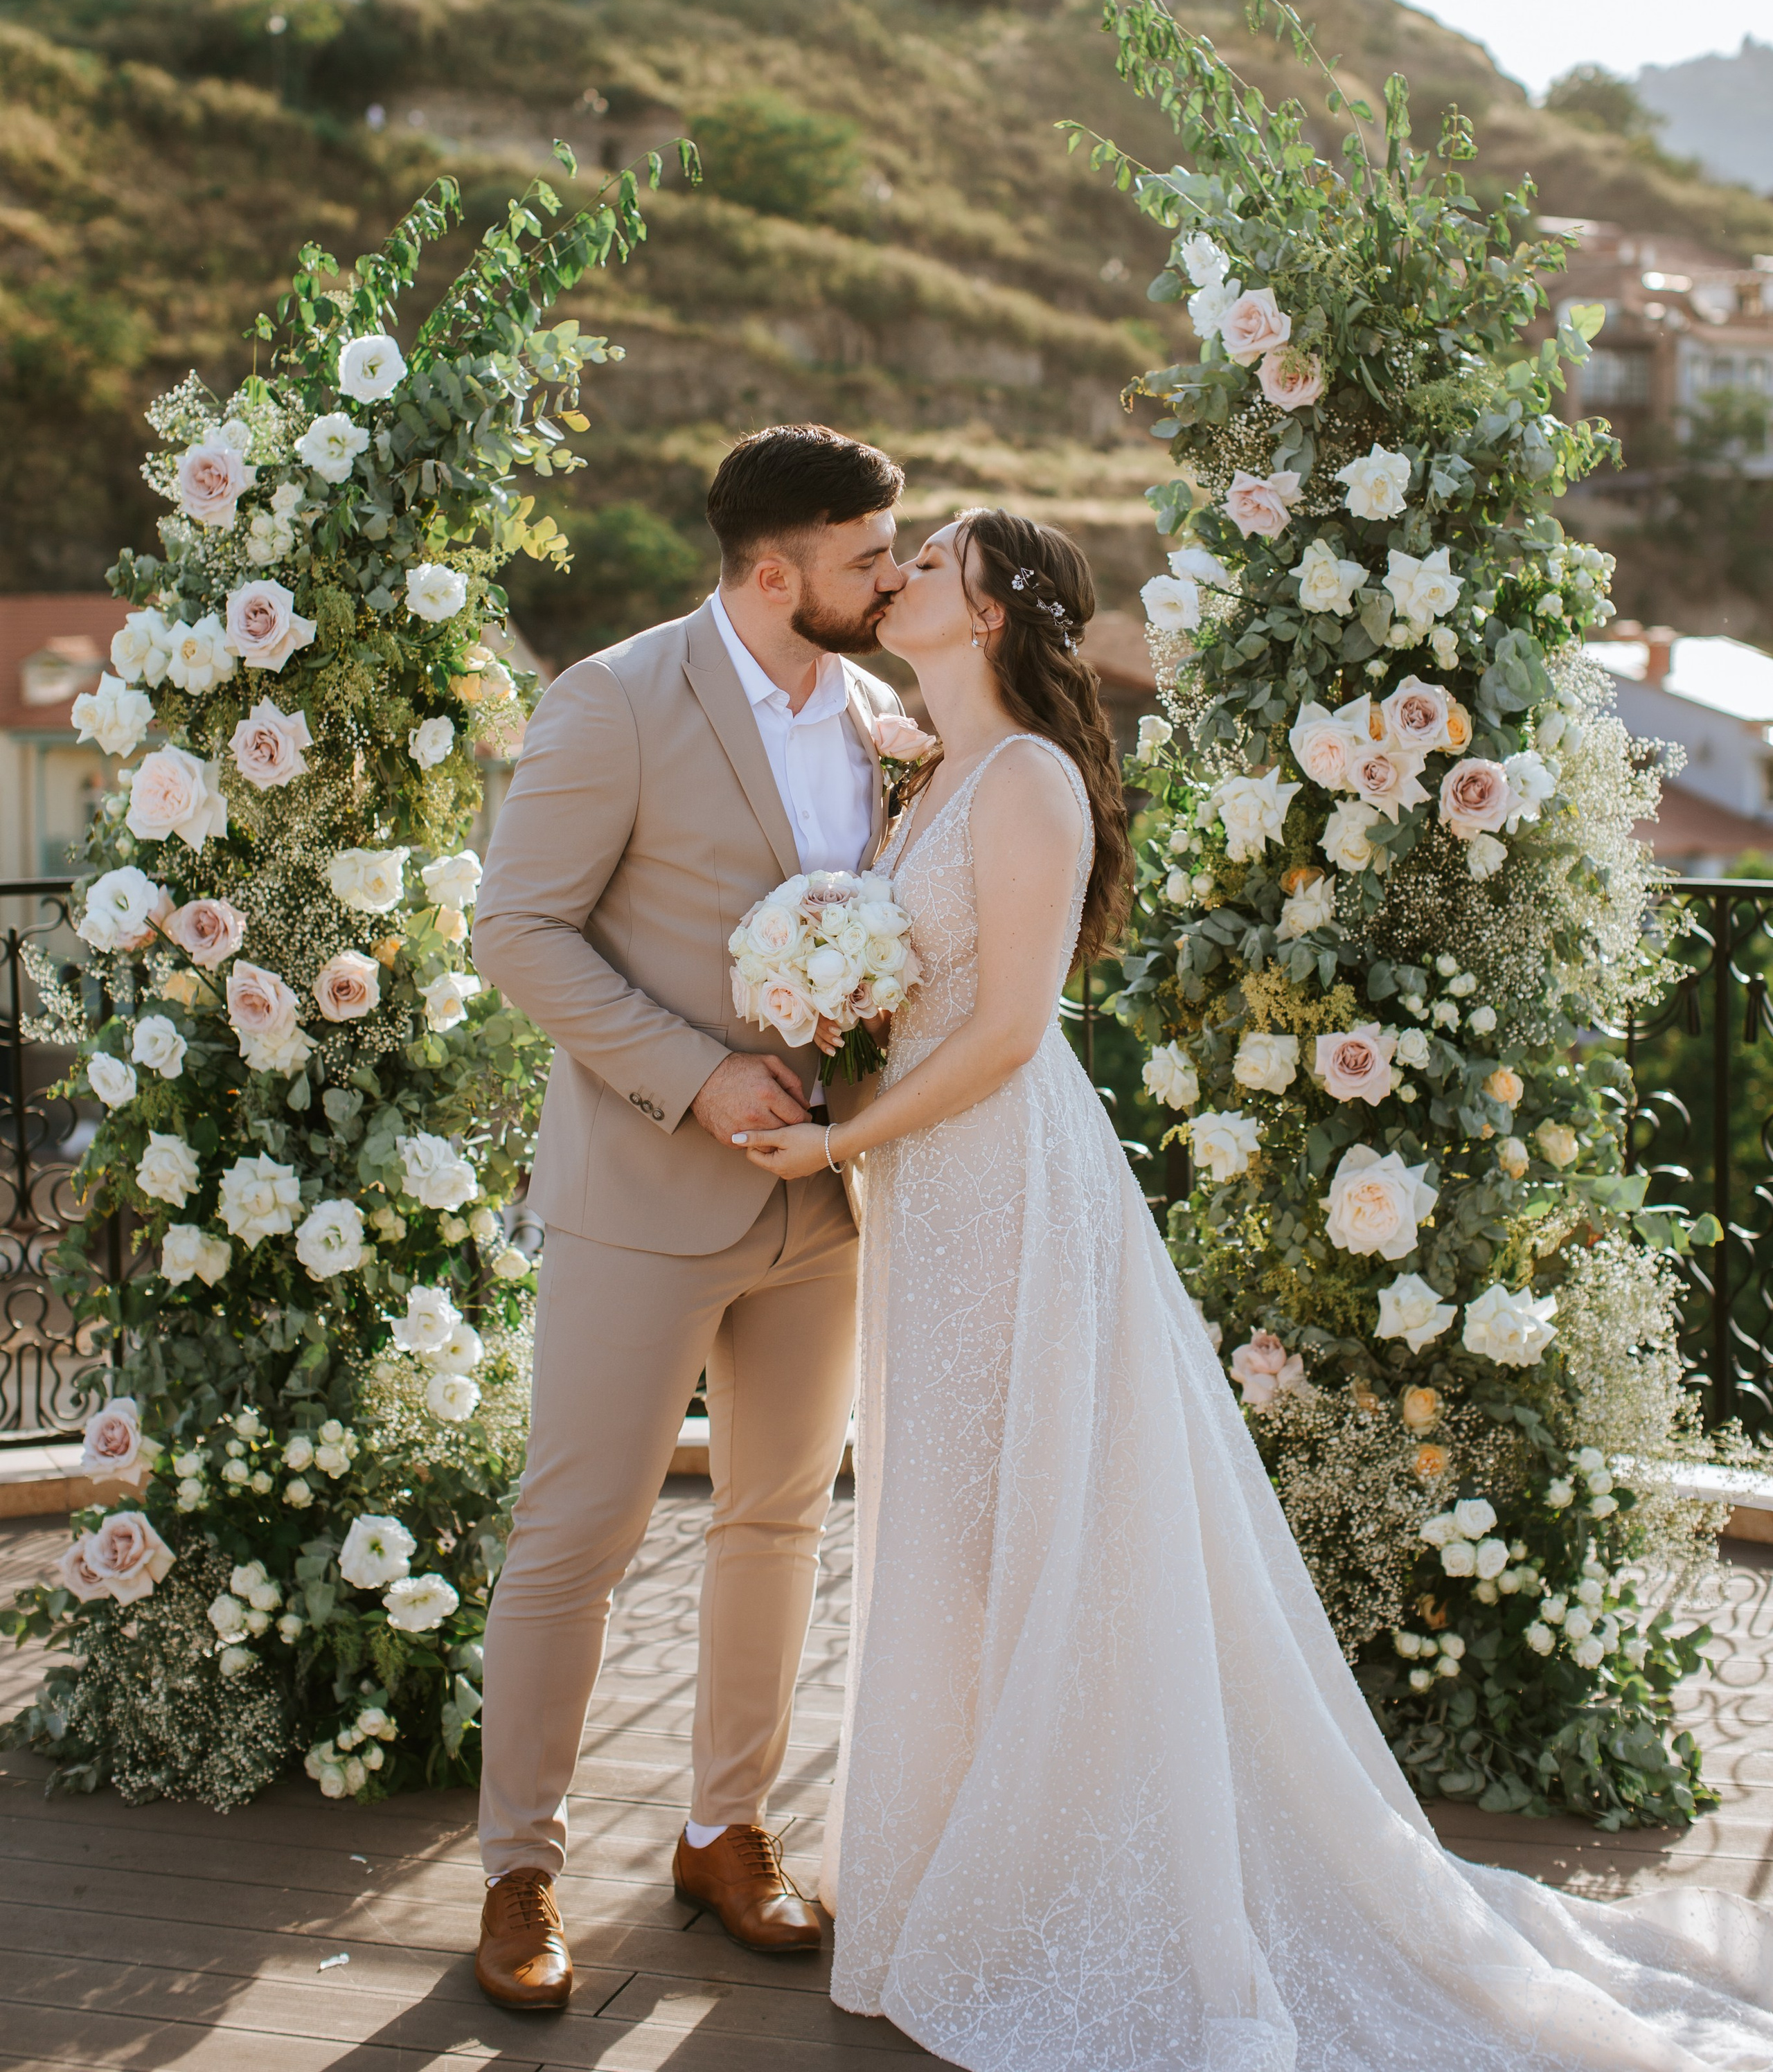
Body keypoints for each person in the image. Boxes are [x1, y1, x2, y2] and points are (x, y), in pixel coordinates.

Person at [737, 506, 1773, 2072]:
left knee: (1034, 1525)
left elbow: (1012, 1029)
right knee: (950, 1524)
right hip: (925, 1194)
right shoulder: (931, 770)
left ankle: (1050, 1881)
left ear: (1001, 611)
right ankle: (947, 1860)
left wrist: (840, 1142)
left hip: (1004, 1186)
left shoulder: (1021, 782)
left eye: (928, 568)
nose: (895, 583)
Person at [467, 424, 907, 2010]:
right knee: (574, 1538)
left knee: (780, 1524)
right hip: (644, 1196)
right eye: (869, 558)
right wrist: (693, 1077)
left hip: (828, 1205)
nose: (894, 578)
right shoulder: (614, 698)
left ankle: (726, 1832)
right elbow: (517, 929)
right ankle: (519, 1868)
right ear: (777, 571)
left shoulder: (883, 721)